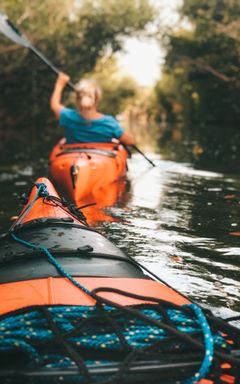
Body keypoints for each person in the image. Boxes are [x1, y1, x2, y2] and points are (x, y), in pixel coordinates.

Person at [50, 72, 135, 145]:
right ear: (97, 99)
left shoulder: (69, 117)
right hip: (101, 161)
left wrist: (59, 84)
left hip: (73, 160)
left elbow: (54, 104)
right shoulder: (109, 123)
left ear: (77, 99)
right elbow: (130, 141)